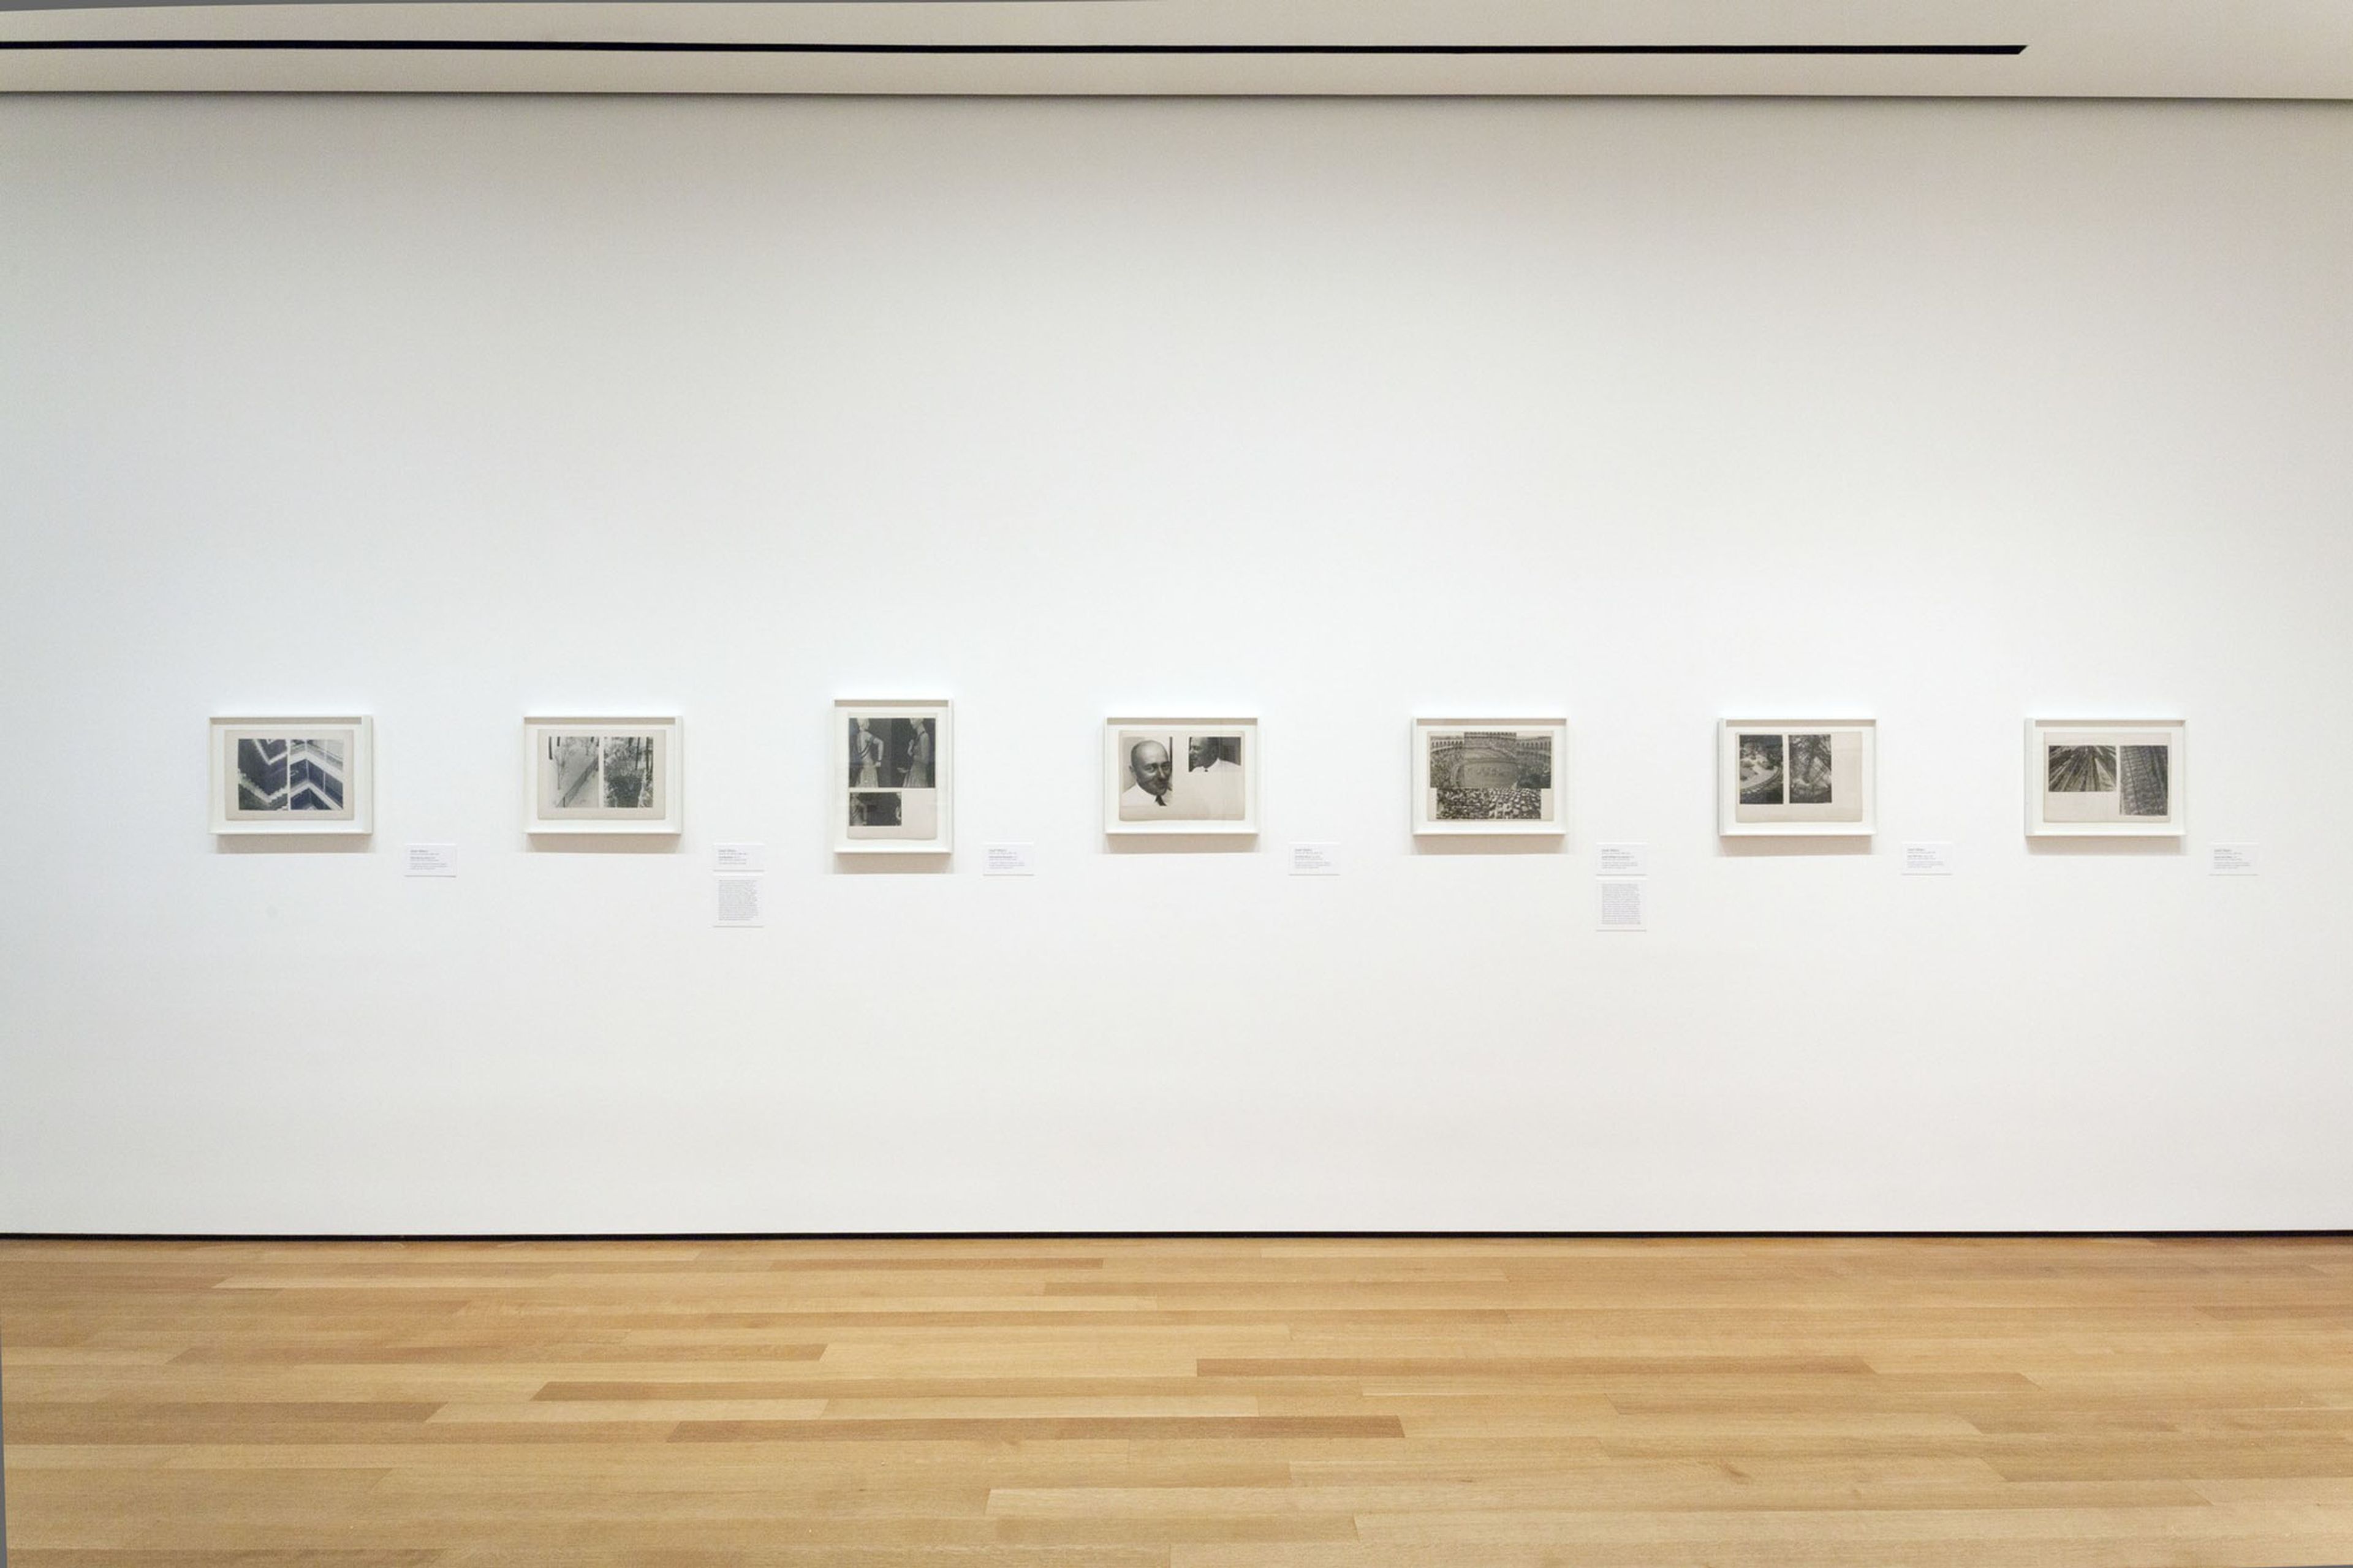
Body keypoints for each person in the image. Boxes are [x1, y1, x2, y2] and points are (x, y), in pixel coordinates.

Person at [1120, 738, 1173, 816]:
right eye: (1151, 768)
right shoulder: (1124, 803)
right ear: (1133, 772)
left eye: (1165, 766)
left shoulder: (1175, 798)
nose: (1162, 776)